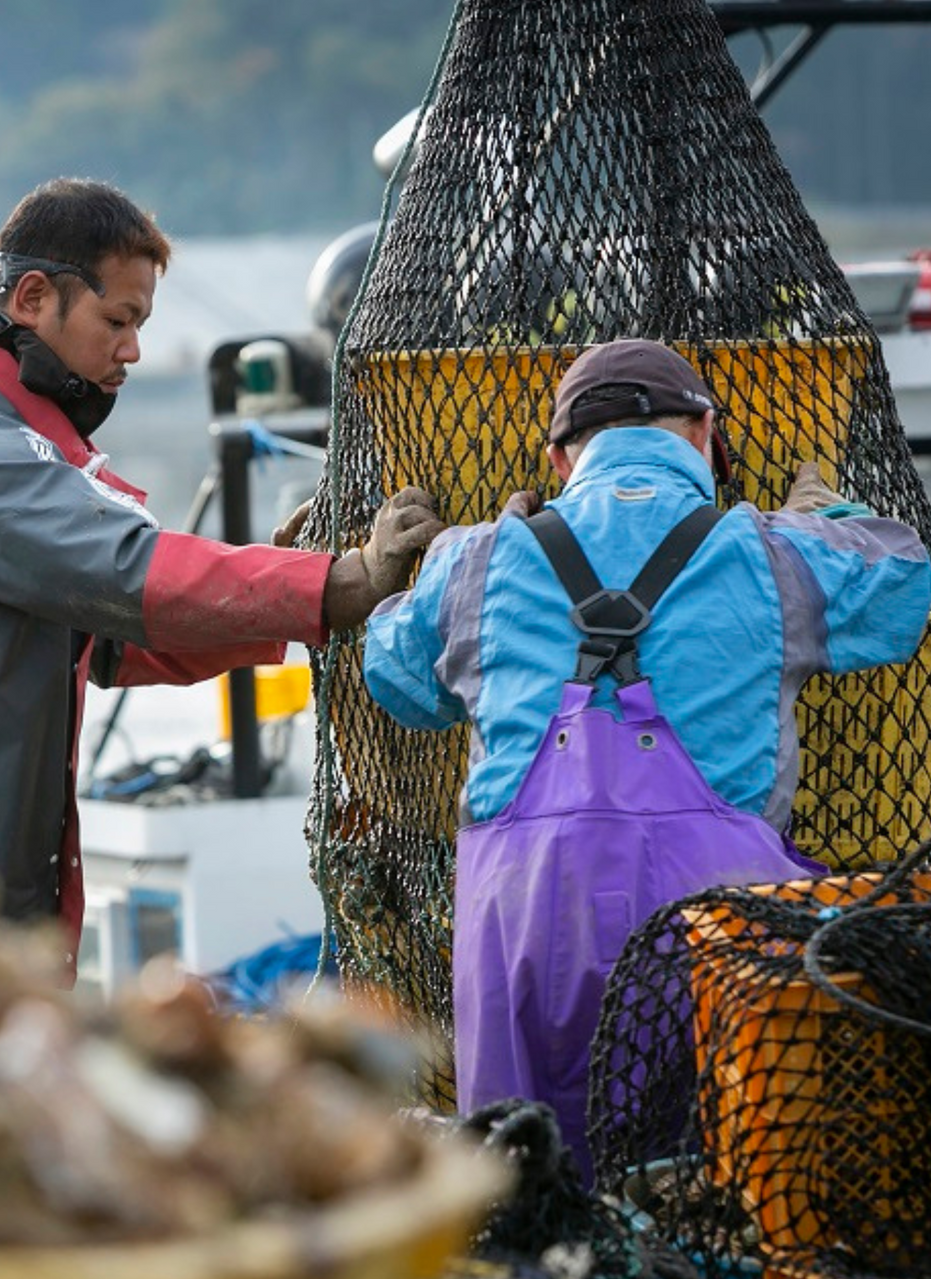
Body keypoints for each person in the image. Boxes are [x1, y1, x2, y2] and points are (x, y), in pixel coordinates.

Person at [0, 177, 443, 967]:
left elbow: (114, 639)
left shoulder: (11, 445)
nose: (133, 351)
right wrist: (338, 583)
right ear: (34, 298)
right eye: (119, 319)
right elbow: (130, 574)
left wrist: (293, 587)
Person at [361, 337, 931, 1180]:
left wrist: (427, 565)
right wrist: (825, 517)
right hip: (716, 934)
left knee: (524, 1190)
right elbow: (906, 584)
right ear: (704, 432)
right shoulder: (778, 552)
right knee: (718, 1194)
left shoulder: (474, 558)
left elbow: (395, 678)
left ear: (559, 458)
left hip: (520, 924)